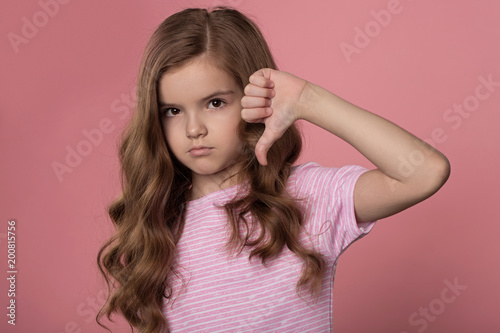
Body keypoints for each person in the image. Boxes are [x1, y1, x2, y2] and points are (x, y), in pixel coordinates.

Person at [96, 6, 450, 333]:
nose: (193, 129)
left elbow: (423, 172)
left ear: (257, 98)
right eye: (172, 110)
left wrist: (308, 99)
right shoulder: (158, 226)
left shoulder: (306, 197)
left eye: (215, 103)